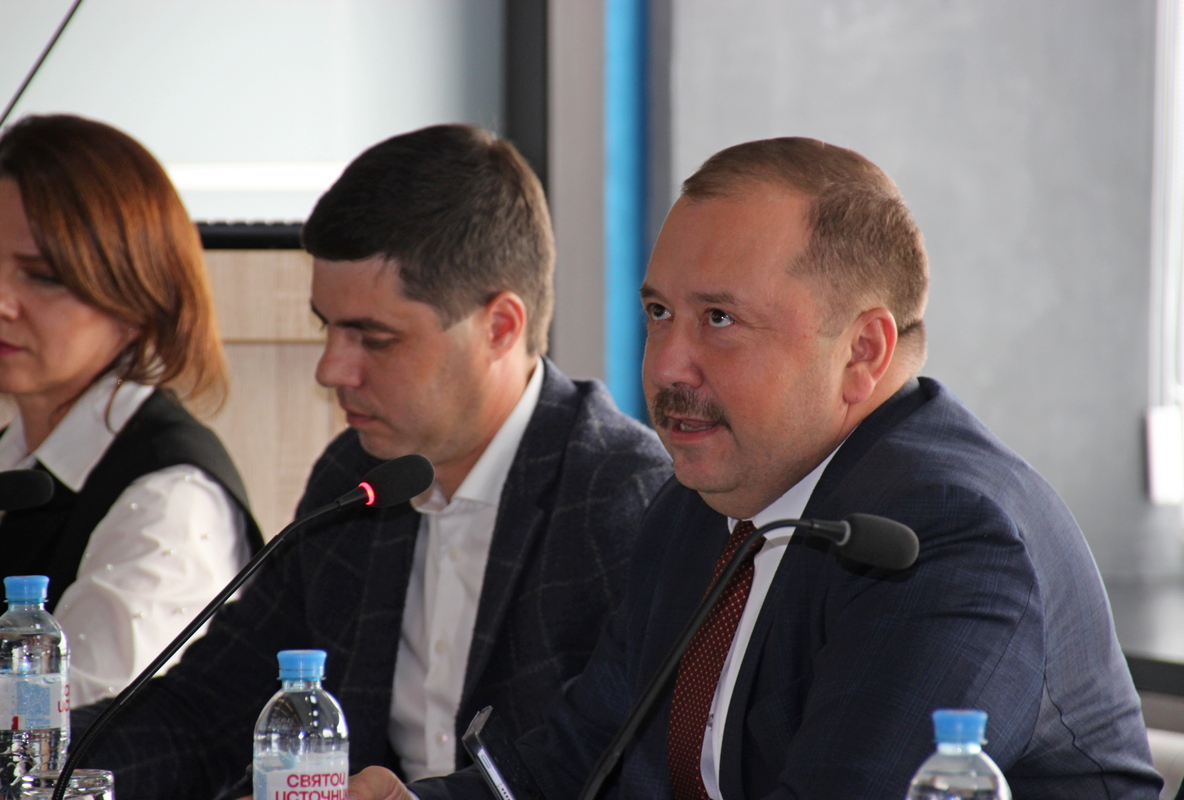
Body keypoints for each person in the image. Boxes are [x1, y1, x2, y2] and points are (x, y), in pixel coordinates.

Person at [347, 137, 1163, 800]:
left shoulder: (944, 538)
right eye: (658, 312)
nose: (666, 365)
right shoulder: (702, 504)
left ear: (862, 352)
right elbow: (571, 763)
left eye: (720, 319)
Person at [71, 124, 673, 799]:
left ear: (500, 327)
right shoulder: (353, 479)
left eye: (374, 339)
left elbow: (612, 772)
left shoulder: (625, 501)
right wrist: (30, 756)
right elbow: (206, 713)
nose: (331, 369)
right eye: (326, 326)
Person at [0, 114, 262, 705]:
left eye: (42, 277)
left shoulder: (169, 498)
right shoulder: (6, 461)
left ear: (136, 294)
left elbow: (67, 725)